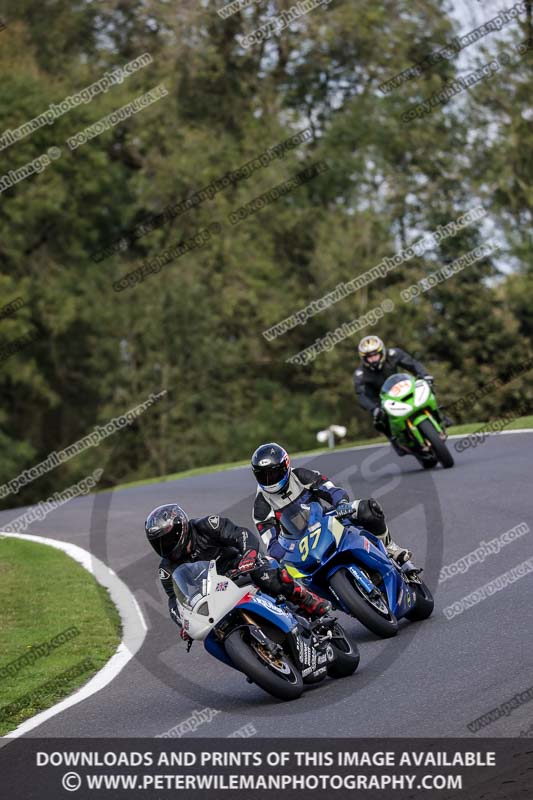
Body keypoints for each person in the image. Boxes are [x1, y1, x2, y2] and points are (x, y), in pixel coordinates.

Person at [145, 503, 331, 640]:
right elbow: (174, 600)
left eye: (168, 539)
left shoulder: (207, 526)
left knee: (267, 576)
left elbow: (240, 534)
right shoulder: (166, 569)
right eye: (159, 543)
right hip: (212, 596)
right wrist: (183, 624)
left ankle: (305, 599)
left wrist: (249, 556)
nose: (165, 546)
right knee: (211, 635)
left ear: (181, 528)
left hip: (239, 569)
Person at [251, 442, 412, 566]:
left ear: (285, 465)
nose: (269, 480)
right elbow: (270, 541)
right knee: (280, 577)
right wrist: (279, 555)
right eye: (263, 476)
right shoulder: (261, 505)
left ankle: (391, 548)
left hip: (323, 520)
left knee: (368, 508)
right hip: (298, 546)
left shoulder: (301, 475)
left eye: (273, 473)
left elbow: (331, 490)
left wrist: (341, 503)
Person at [353, 335, 439, 455]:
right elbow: (361, 395)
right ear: (363, 359)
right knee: (379, 421)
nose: (373, 359)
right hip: (380, 399)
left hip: (401, 386)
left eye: (375, 355)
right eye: (369, 357)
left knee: (427, 387)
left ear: (382, 351)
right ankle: (396, 442)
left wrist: (425, 375)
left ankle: (440, 416)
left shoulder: (394, 354)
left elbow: (413, 364)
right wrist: (374, 409)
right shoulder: (360, 374)